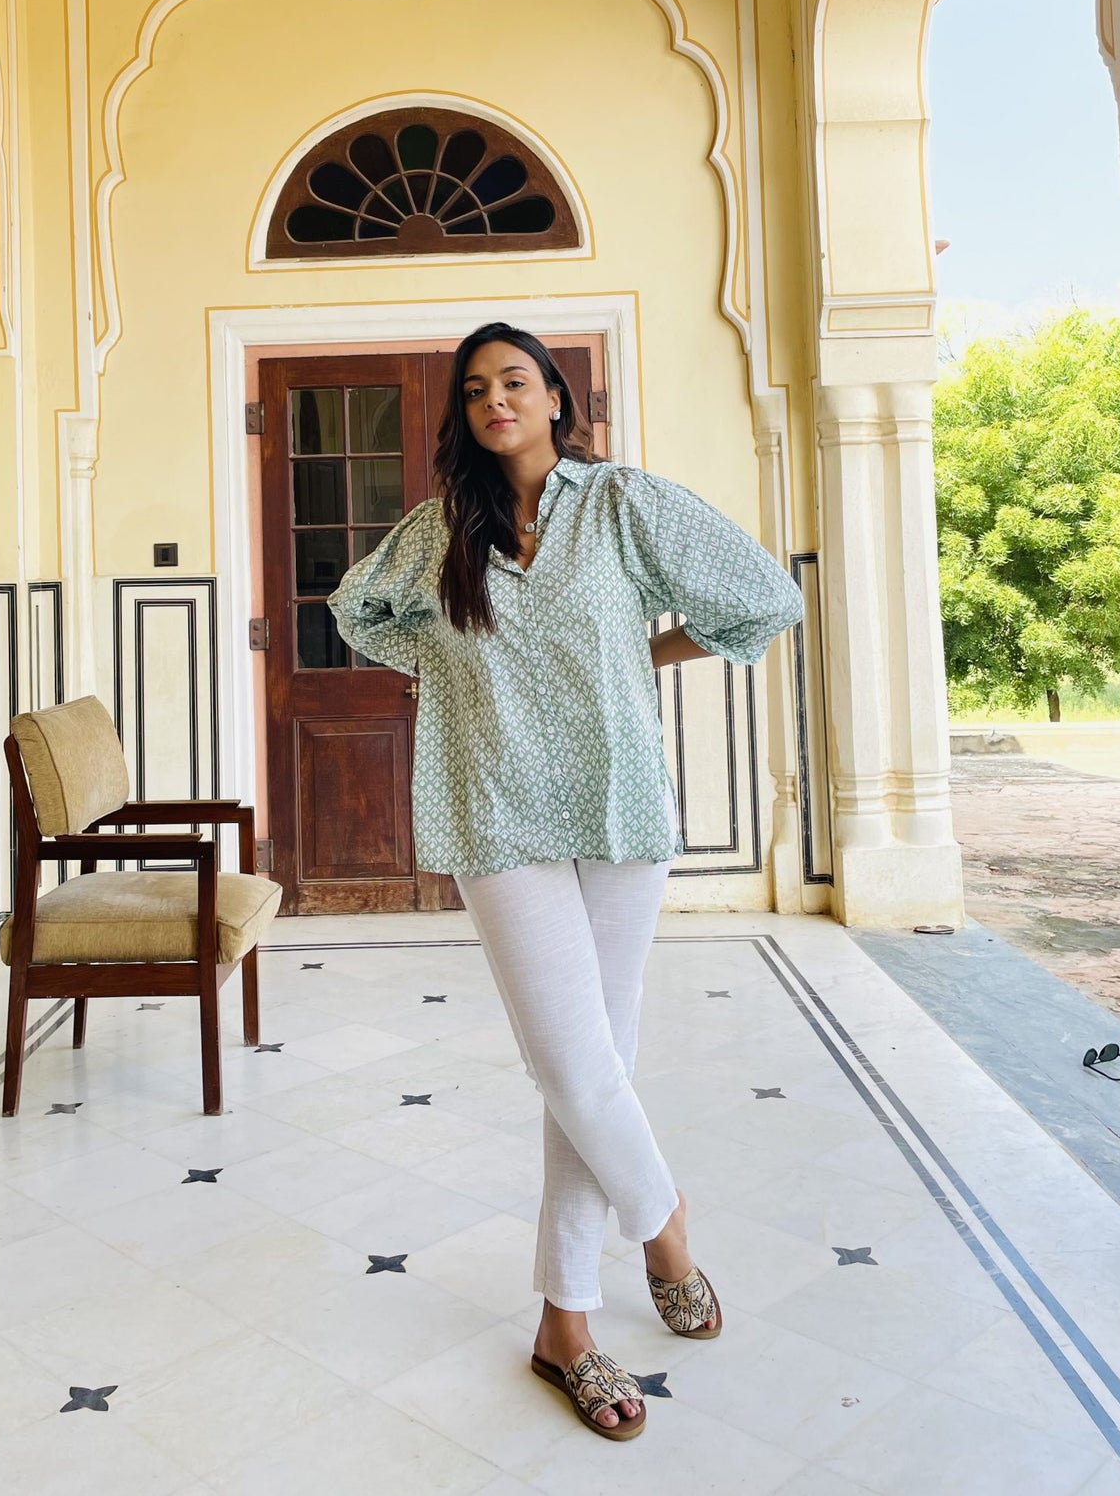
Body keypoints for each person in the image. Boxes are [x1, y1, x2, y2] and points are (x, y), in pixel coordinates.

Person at [328, 321, 803, 1441]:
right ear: (465, 414)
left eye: (514, 382)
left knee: (592, 1070)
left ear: (553, 397)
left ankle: (565, 1327)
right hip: (494, 811)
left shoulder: (623, 504)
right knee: (573, 1062)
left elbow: (760, 603)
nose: (495, 400)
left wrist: (633, 654)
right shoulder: (438, 530)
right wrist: (449, 664)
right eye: (476, 389)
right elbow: (356, 613)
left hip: (619, 807)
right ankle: (666, 1228)